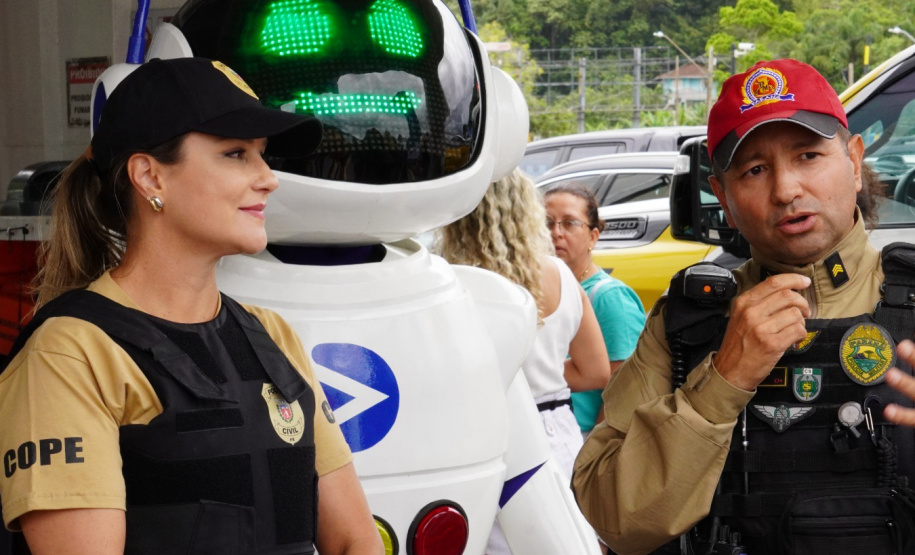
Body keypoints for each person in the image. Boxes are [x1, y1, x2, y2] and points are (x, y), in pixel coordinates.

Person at [0, 57, 382, 555]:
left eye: (263, 155)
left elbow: (357, 542)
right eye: (236, 154)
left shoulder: (271, 335)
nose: (269, 178)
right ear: (150, 177)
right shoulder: (70, 353)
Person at [572, 58, 915, 555]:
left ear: (855, 162)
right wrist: (721, 382)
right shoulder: (687, 325)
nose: (786, 190)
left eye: (808, 157)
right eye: (755, 169)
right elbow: (615, 520)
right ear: (723, 197)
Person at [438, 169, 612, 475]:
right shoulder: (559, 274)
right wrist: (542, 374)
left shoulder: (446, 279)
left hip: (478, 435)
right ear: (526, 210)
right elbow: (596, 372)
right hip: (554, 433)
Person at [543, 183, 645, 438]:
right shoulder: (545, 289)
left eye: (569, 223)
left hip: (583, 437)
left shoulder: (609, 298)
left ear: (593, 236)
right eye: (546, 222)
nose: (555, 233)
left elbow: (626, 389)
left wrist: (593, 453)